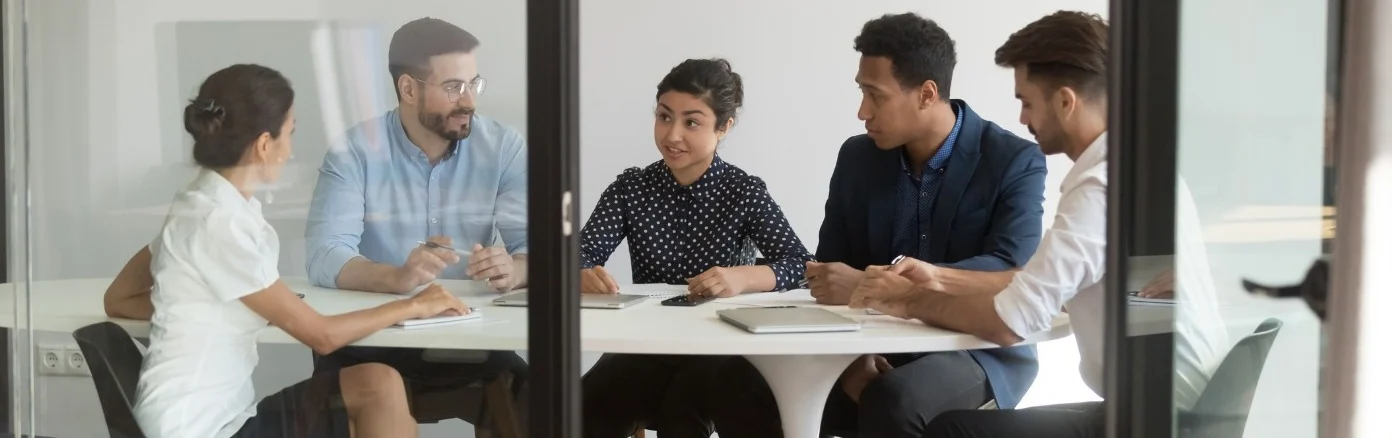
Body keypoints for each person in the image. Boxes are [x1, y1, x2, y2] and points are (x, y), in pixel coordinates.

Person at [849, 11, 1227, 437]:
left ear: (1065, 102)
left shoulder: (1101, 188)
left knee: (953, 430)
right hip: (1177, 409)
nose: (1024, 119)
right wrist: (937, 277)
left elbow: (1013, 322)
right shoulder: (1136, 168)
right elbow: (1046, 281)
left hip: (1157, 421)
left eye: (1027, 102)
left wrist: (909, 301)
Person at [709, 12, 1048, 438]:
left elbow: (1007, 269)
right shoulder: (858, 157)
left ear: (927, 93)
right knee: (733, 385)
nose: (862, 111)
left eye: (875, 95)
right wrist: (849, 359)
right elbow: (829, 273)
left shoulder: (1013, 160)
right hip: (868, 338)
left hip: (975, 344)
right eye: (861, 92)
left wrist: (887, 288)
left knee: (893, 402)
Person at [102, 64, 472, 438]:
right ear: (265, 145)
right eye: (289, 134)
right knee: (381, 394)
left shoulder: (200, 202)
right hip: (201, 430)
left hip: (211, 418)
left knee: (378, 384)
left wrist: (199, 310)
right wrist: (415, 304)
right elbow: (322, 337)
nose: (292, 150)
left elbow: (119, 298)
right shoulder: (220, 222)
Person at [302, 17, 528, 428]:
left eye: (473, 84)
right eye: (453, 87)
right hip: (369, 342)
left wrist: (515, 269)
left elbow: (536, 246)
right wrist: (398, 277)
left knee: (538, 395)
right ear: (408, 88)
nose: (469, 102)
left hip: (473, 339)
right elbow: (323, 254)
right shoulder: (354, 152)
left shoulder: (503, 147)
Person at [577, 58, 814, 438]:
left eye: (692, 122)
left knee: (682, 412)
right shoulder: (631, 188)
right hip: (649, 345)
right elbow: (578, 254)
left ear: (724, 127)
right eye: (664, 116)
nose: (672, 135)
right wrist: (583, 275)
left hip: (721, 348)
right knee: (583, 403)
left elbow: (804, 266)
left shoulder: (744, 191)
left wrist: (744, 277)